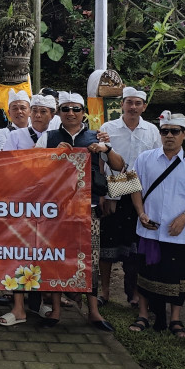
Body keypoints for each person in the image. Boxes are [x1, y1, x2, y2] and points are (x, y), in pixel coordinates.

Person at [29, 92, 124, 329]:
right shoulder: (48, 138)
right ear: (58, 113)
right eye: (66, 109)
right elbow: (32, 169)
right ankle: (56, 310)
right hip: (56, 210)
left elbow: (119, 167)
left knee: (89, 259)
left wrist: (106, 148)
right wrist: (51, 155)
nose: (71, 113)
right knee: (57, 258)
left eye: (76, 109)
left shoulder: (97, 136)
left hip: (88, 208)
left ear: (84, 112)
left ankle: (93, 312)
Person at [129, 111, 185, 337]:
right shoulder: (145, 159)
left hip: (178, 232)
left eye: (175, 131)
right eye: (165, 131)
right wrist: (140, 213)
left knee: (176, 276)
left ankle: (175, 319)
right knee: (146, 272)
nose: (169, 136)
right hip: (149, 229)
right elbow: (135, 187)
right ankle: (144, 314)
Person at [98, 86, 162, 307]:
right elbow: (101, 162)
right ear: (122, 104)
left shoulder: (153, 131)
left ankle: (133, 291)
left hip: (141, 194)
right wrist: (104, 195)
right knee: (107, 246)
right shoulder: (108, 128)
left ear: (144, 106)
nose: (133, 107)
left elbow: (156, 163)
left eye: (138, 103)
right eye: (129, 102)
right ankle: (104, 291)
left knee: (133, 247)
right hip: (114, 192)